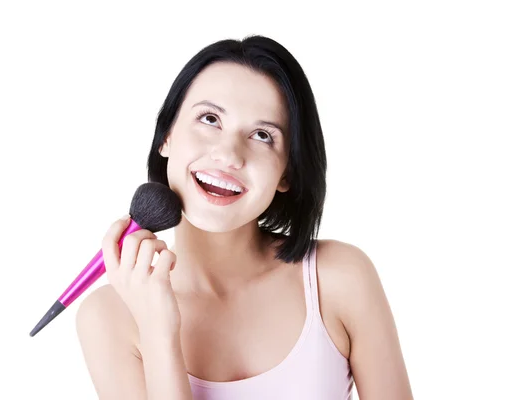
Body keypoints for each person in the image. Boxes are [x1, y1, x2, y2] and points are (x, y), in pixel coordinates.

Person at [76, 35, 414, 399]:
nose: (229, 154)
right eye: (209, 119)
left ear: (287, 172)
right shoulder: (108, 316)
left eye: (262, 135)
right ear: (167, 137)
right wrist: (157, 332)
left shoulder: (339, 278)